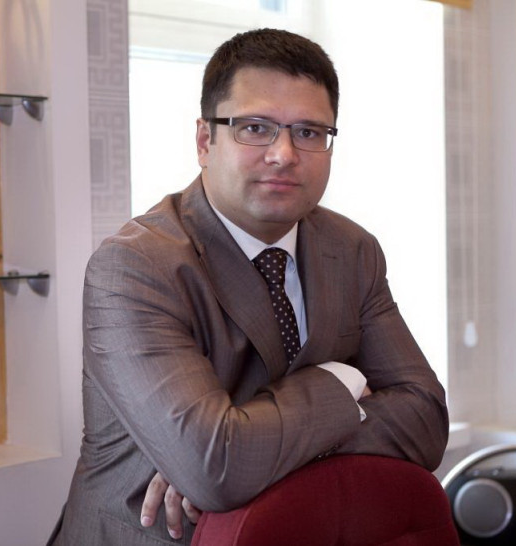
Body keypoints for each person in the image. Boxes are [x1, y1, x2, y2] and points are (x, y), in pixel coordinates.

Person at [49, 28, 448, 546]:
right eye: (255, 128)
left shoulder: (352, 250)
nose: (284, 153)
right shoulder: (135, 266)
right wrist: (342, 380)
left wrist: (247, 446)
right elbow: (214, 468)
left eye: (309, 132)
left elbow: (426, 422)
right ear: (204, 141)